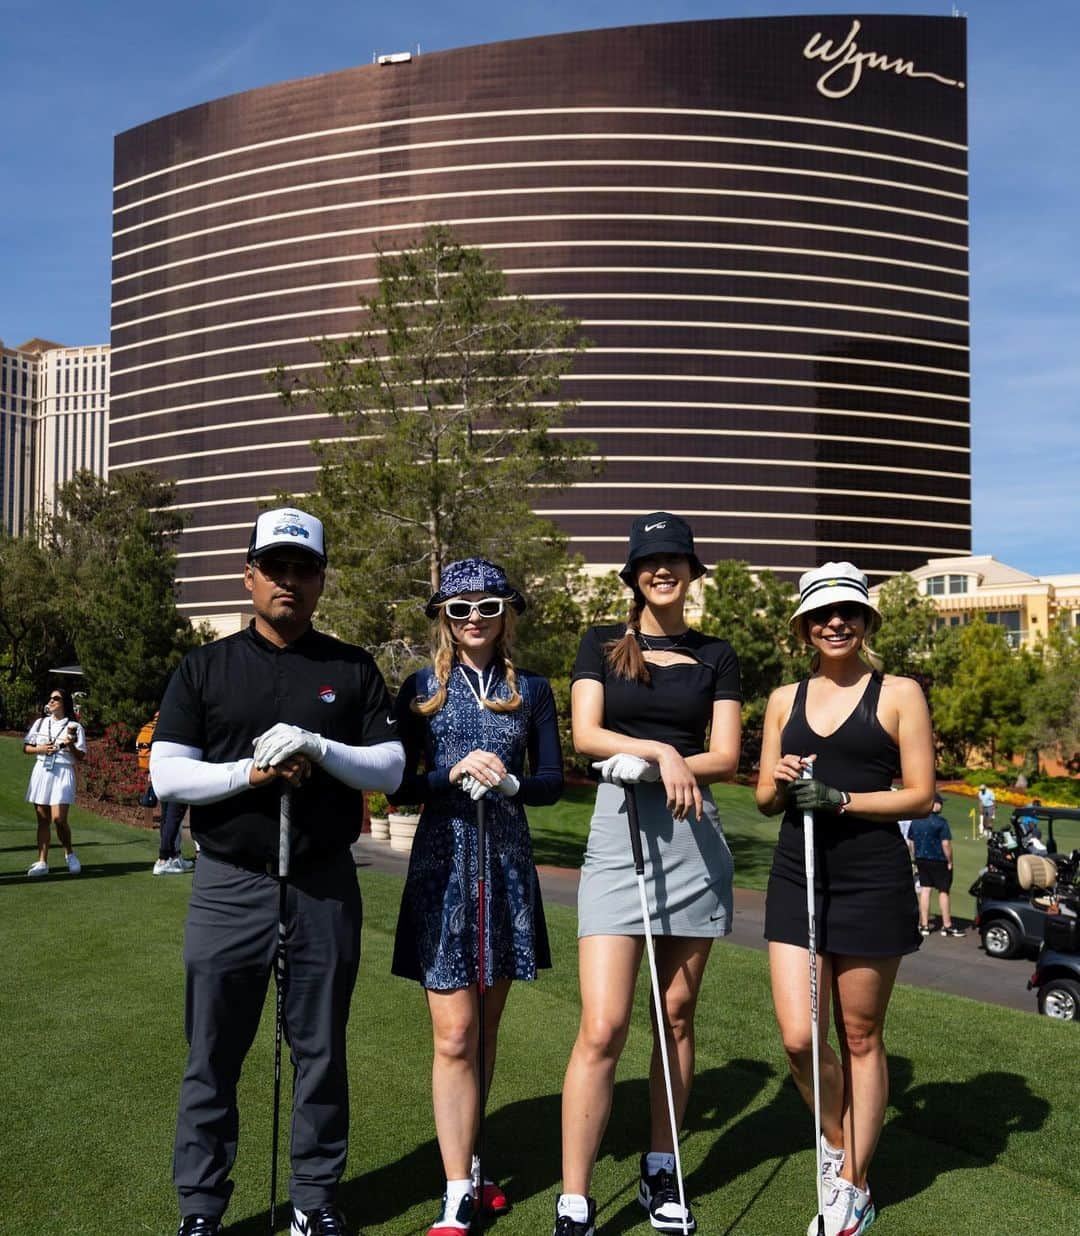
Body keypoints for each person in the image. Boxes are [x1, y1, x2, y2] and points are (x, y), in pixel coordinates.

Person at [150, 507, 405, 1236]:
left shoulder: (351, 667)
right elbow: (169, 776)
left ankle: (314, 1198)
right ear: (249, 574)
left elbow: (389, 764)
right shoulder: (205, 667)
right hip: (230, 882)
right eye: (275, 567)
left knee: (321, 1050)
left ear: (321, 579)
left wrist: (320, 750)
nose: (288, 580)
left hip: (323, 881)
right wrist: (253, 774)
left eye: (303, 568)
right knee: (214, 1050)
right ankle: (202, 1208)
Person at [556, 513, 742, 1236]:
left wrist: (671, 760)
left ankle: (661, 1169)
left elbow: (724, 755)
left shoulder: (716, 653)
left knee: (675, 1018)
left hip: (692, 836)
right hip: (617, 827)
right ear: (632, 573)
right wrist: (659, 752)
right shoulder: (601, 643)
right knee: (603, 1024)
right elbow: (586, 735)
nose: (662, 569)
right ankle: (575, 1196)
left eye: (675, 559)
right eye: (649, 560)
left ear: (692, 570)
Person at [756, 562, 935, 1236]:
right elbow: (766, 797)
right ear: (806, 627)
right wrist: (777, 778)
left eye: (849, 612)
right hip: (796, 876)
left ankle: (854, 1185)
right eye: (823, 614)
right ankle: (836, 1142)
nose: (837, 622)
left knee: (859, 1036)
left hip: (871, 879)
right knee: (800, 1039)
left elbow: (920, 794)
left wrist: (841, 799)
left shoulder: (899, 693)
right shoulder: (782, 699)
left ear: (865, 622)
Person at [390, 558, 563, 1235]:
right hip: (442, 863)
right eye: (458, 609)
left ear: (505, 613)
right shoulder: (420, 688)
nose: (472, 621)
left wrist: (513, 786)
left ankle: (472, 1158)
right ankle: (457, 1187)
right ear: (443, 617)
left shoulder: (535, 691)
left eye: (486, 607)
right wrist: (449, 771)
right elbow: (399, 784)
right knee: (455, 1033)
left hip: (507, 864)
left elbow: (551, 777)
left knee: (485, 1031)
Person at [24, 686, 87, 876]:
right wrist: (41, 749)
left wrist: (70, 745)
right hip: (42, 770)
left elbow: (80, 756)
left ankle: (69, 853)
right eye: (50, 698)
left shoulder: (75, 727)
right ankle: (42, 862)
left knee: (59, 819)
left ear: (64, 703)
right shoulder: (41, 723)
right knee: (42, 819)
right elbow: (27, 747)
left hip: (63, 771)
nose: (51, 701)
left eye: (56, 698)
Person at [138, 709, 194, 876]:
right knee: (173, 817)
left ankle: (174, 856)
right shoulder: (178, 725)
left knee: (167, 816)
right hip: (178, 774)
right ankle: (163, 859)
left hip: (161, 775)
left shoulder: (160, 725)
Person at [907, 796, 964, 938]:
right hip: (939, 860)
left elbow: (911, 842)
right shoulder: (941, 822)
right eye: (940, 803)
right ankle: (947, 925)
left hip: (921, 859)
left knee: (925, 889)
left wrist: (915, 856)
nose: (941, 805)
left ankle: (924, 925)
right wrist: (950, 861)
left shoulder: (916, 821)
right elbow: (946, 845)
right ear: (934, 805)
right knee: (943, 891)